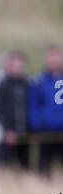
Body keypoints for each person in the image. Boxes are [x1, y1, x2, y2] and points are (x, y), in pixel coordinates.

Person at [28, 46, 63, 175]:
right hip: (46, 132)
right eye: (51, 59)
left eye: (56, 58)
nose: (54, 62)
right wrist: (36, 127)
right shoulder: (39, 81)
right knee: (44, 166)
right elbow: (33, 106)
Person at [0, 50, 29, 169]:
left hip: (24, 134)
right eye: (14, 66)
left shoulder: (26, 83)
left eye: (20, 66)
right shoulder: (3, 84)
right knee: (3, 167)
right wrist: (7, 130)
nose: (17, 69)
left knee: (24, 167)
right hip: (7, 136)